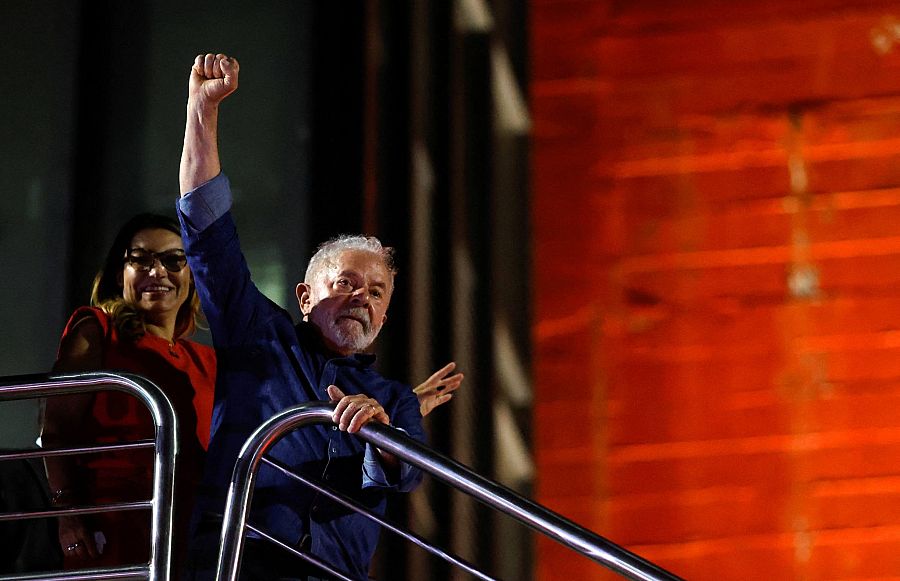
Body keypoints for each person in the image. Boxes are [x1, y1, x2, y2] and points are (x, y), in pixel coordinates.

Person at [179, 53, 433, 580]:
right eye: (346, 283)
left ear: (385, 316)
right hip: (236, 562)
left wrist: (380, 437)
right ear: (305, 297)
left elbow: (408, 473)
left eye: (378, 292)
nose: (363, 297)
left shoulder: (395, 400)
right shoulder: (257, 335)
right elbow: (206, 229)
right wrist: (201, 112)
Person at [43, 213, 217, 570]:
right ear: (118, 273)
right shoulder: (98, 329)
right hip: (112, 525)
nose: (158, 273)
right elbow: (55, 430)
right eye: (141, 260)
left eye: (173, 260)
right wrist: (67, 512)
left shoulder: (206, 360)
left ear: (191, 276)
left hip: (191, 528)